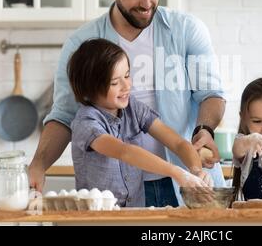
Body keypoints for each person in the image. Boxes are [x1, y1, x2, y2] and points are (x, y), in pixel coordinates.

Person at [28, 0, 226, 207]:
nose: (147, 3)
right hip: (120, 193)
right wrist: (39, 164)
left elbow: (210, 94)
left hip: (187, 186)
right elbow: (64, 115)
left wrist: (204, 133)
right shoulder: (82, 44)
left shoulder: (187, 29)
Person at [67, 38, 212, 207]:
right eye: (114, 82)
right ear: (90, 88)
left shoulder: (133, 108)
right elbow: (124, 151)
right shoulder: (86, 122)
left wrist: (196, 171)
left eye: (127, 75)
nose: (126, 86)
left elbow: (178, 143)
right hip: (96, 221)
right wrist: (177, 172)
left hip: (133, 216)